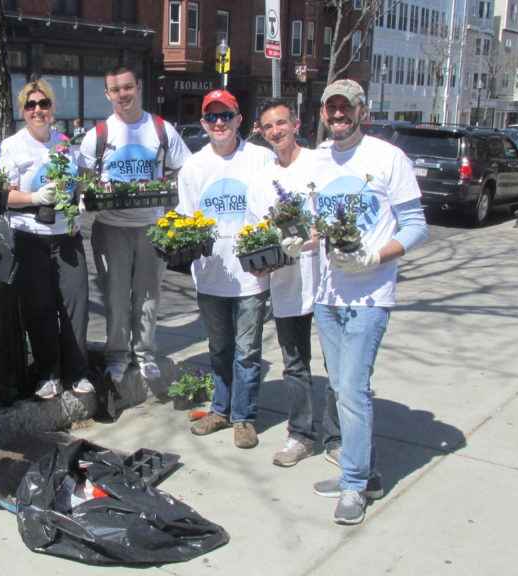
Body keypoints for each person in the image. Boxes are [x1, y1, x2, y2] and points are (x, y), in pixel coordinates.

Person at [307, 79, 427, 525]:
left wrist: (375, 255)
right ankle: (367, 473)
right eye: (331, 108)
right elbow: (312, 222)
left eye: (346, 108)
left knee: (354, 391)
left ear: (362, 111)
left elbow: (415, 225)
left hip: (370, 295)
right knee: (340, 388)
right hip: (327, 295)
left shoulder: (386, 157)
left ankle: (354, 484)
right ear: (322, 113)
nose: (338, 115)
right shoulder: (318, 160)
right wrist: (302, 238)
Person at [77, 65, 191, 387]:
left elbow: (185, 169)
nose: (123, 94)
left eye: (128, 87)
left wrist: (173, 203)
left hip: (152, 227)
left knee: (148, 295)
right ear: (107, 94)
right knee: (114, 296)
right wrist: (89, 197)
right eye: (116, 89)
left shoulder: (161, 129)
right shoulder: (97, 136)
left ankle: (144, 354)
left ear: (138, 87)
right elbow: (83, 185)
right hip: (110, 226)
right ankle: (116, 357)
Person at [175, 90, 276, 449]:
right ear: (203, 123)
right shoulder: (194, 167)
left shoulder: (262, 160)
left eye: (226, 115)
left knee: (247, 351)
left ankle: (244, 418)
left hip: (251, 275)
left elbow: (274, 212)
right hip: (211, 273)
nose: (219, 123)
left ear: (239, 120)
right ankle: (221, 409)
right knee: (219, 348)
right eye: (212, 117)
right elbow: (185, 222)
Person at [251, 98, 340, 467]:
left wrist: (316, 235)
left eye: (281, 123)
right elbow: (259, 231)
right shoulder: (263, 178)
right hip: (288, 282)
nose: (276, 132)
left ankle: (336, 437)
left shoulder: (321, 163)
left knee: (336, 365)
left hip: (329, 281)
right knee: (294, 363)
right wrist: (261, 260)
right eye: (269, 127)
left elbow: (338, 215)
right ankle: (300, 435)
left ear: (296, 123)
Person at [0, 80, 91, 400]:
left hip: (66, 235)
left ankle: (77, 372)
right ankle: (48, 373)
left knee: (76, 306)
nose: (38, 110)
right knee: (40, 308)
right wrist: (35, 196)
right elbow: (1, 195)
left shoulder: (64, 143)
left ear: (52, 108)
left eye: (44, 103)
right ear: (22, 111)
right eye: (30, 105)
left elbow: (75, 183)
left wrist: (80, 199)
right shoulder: (11, 146)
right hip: (29, 236)